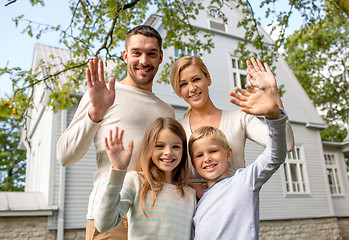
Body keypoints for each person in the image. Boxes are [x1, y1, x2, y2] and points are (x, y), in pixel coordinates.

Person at [56, 25, 175, 239]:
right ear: (125, 55)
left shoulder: (167, 110)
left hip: (155, 221)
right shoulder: (104, 95)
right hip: (111, 219)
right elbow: (65, 156)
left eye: (151, 54)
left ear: (160, 58)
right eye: (137, 53)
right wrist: (96, 112)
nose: (144, 61)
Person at [170, 56, 294, 185]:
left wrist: (272, 93)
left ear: (208, 79)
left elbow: (287, 144)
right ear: (179, 90)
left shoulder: (240, 119)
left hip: (235, 203)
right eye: (183, 84)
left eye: (196, 79)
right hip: (193, 205)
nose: (192, 88)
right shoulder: (176, 130)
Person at [189, 84, 287, 239]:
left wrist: (274, 116)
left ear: (228, 154)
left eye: (213, 151)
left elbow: (275, 155)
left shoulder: (244, 181)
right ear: (194, 164)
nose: (207, 158)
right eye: (199, 155)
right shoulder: (198, 203)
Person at [95, 117, 196, 239]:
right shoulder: (136, 181)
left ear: (183, 151)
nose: (168, 152)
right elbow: (103, 225)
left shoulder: (190, 194)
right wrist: (118, 170)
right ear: (149, 148)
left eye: (176, 147)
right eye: (159, 146)